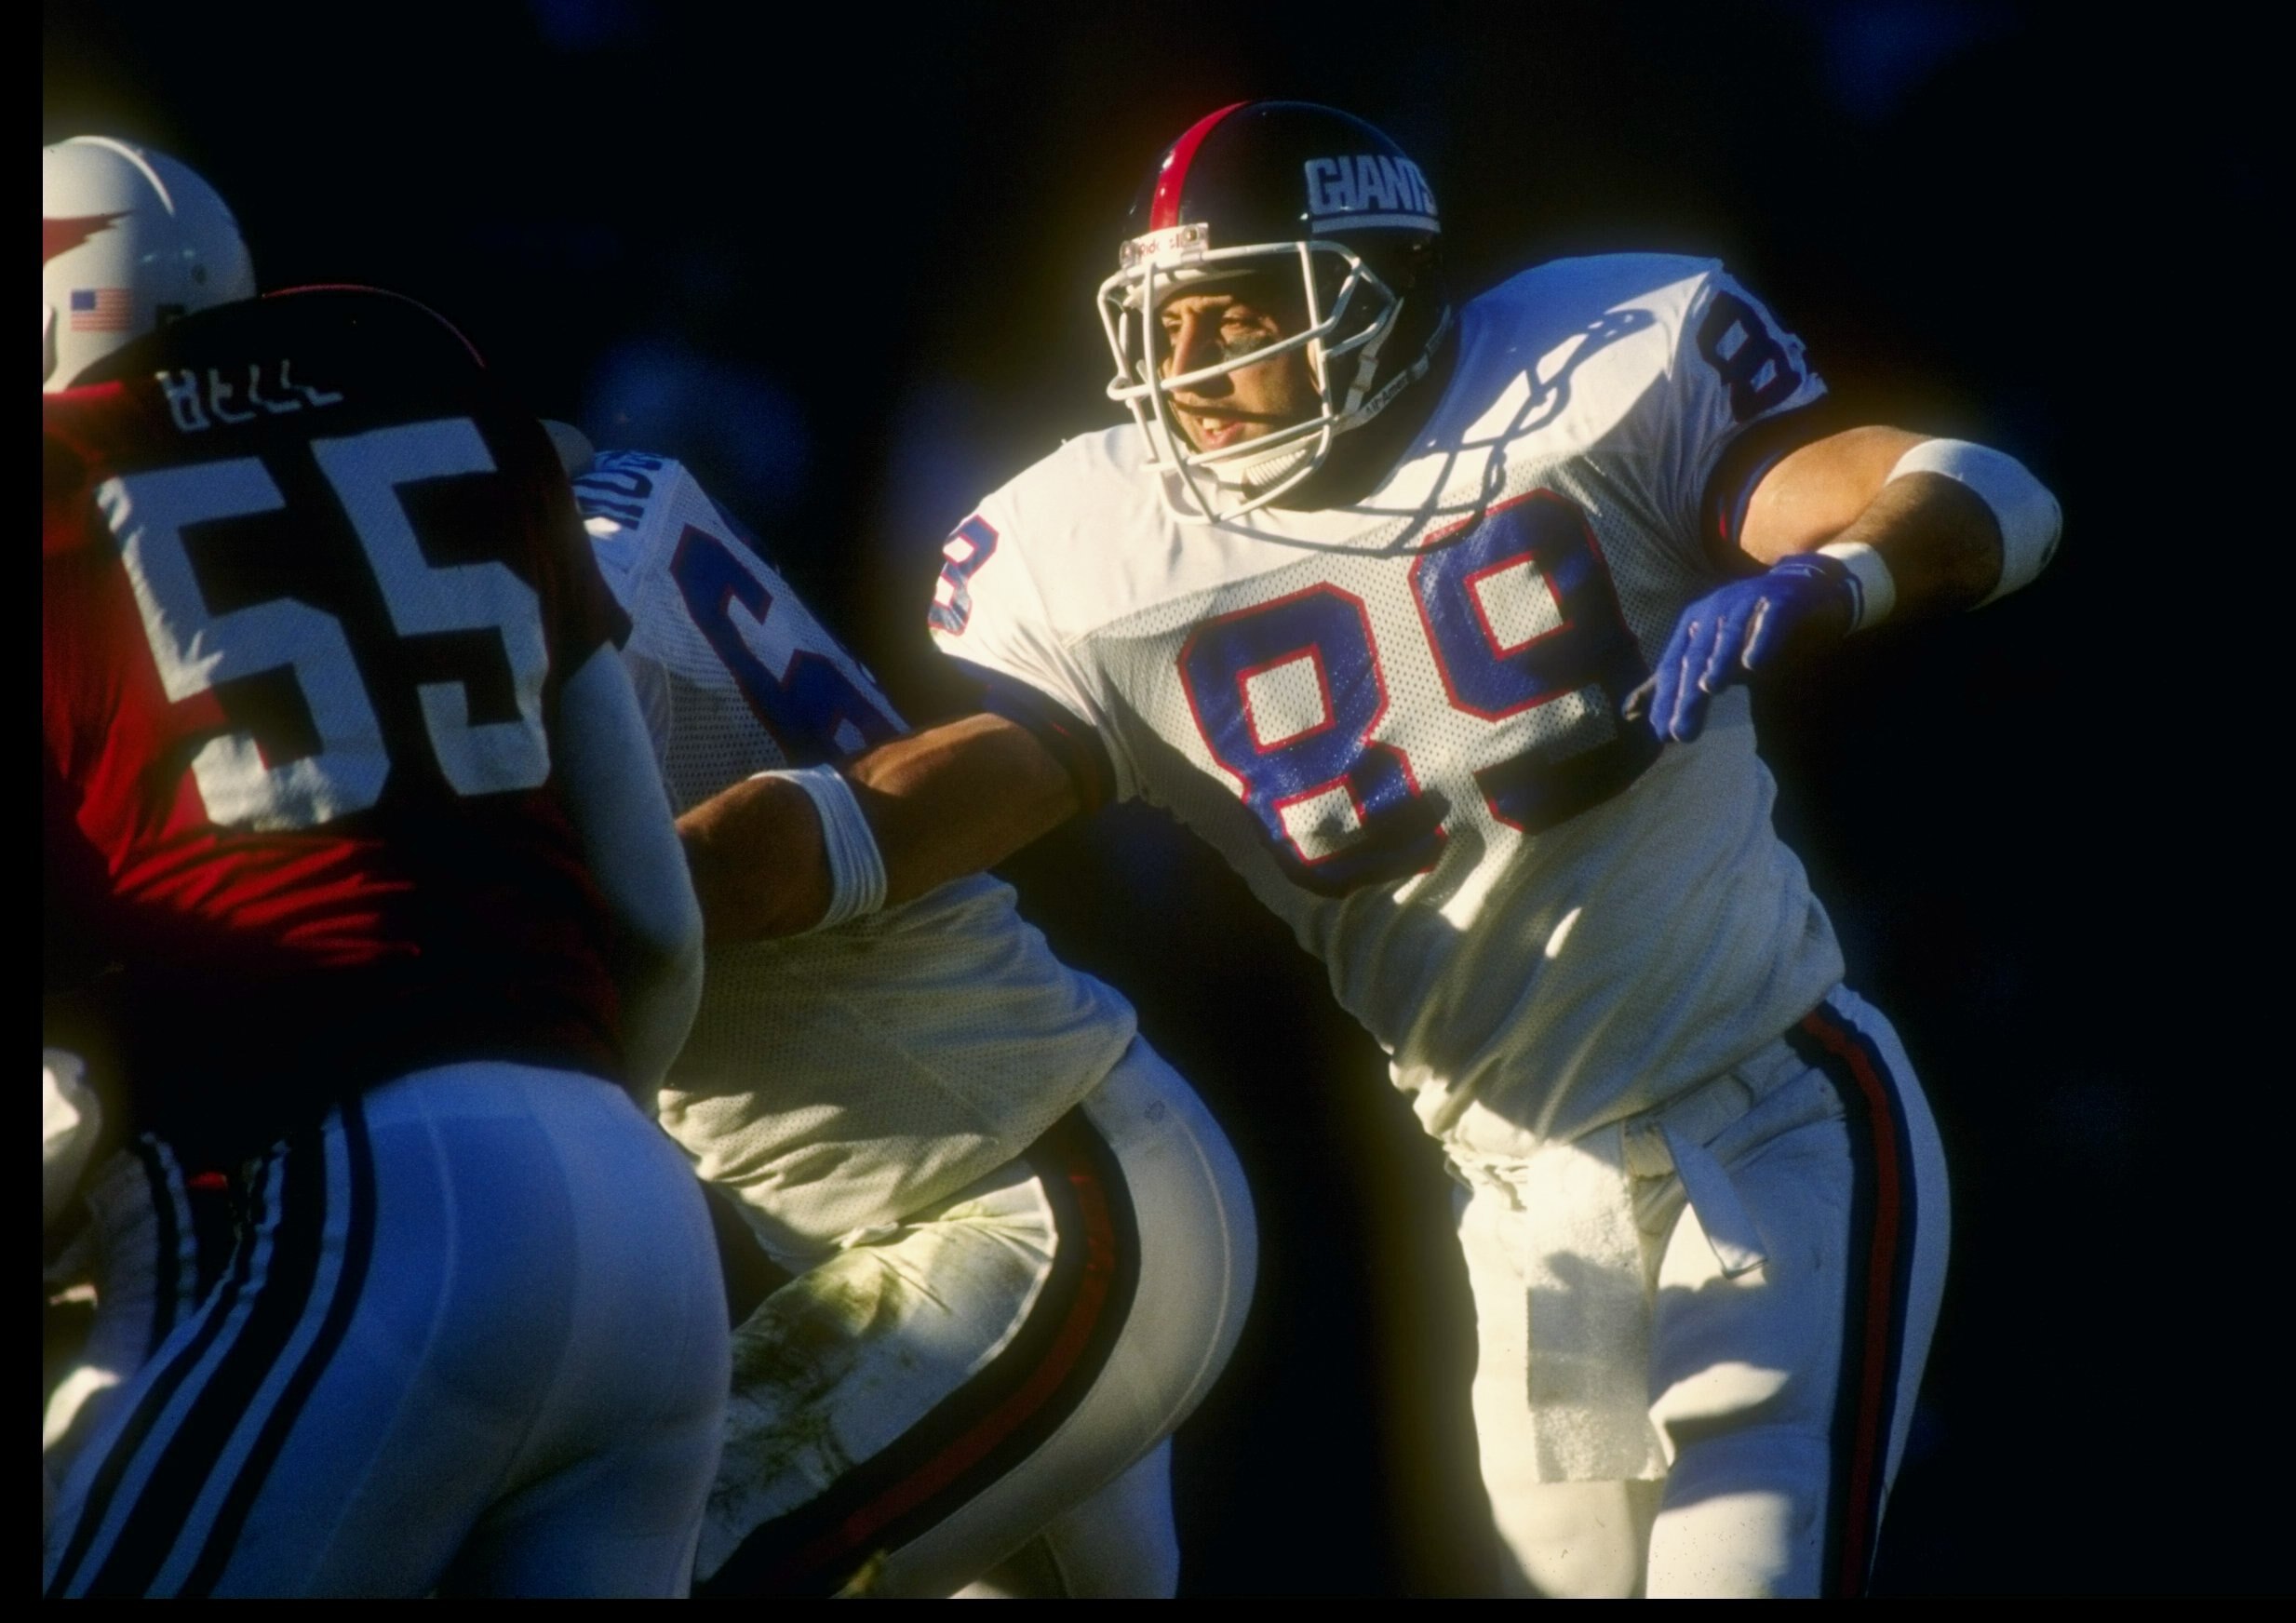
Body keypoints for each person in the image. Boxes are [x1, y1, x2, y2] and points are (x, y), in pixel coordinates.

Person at [680, 101, 2062, 1595]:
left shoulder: (1596, 373)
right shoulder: (1100, 552)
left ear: (1378, 288)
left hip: (1773, 1115)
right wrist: (712, 865)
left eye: (1242, 308)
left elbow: (1975, 487)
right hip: (1534, 1217)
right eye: (1170, 314)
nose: (1193, 362)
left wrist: (1847, 576)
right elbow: (947, 798)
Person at [39, 136, 729, 1597]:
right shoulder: (442, 396)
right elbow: (654, 921)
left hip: (371, 1208)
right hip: (649, 1234)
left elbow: (66, 1083)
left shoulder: (62, 505)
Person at [556, 430, 1256, 1596]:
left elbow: (711, 884)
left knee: (637, 1567)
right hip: (1009, 1185)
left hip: (1028, 1207)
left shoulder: (519, 601)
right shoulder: (574, 500)